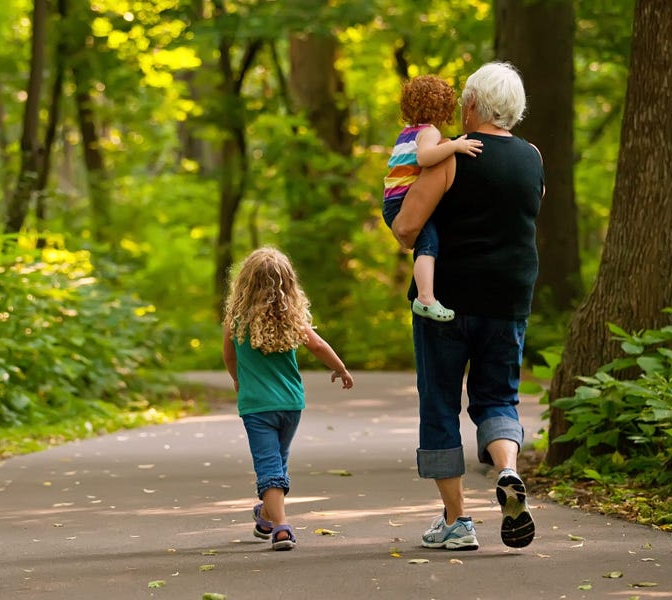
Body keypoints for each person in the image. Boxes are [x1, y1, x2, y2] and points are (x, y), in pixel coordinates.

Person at [390, 62, 543, 551]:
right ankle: (509, 470)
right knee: (498, 398)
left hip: (447, 303)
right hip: (508, 301)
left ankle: (458, 522)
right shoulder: (534, 158)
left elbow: (406, 228)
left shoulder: (450, 158)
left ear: (473, 104)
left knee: (439, 405)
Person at [221, 247, 354, 551]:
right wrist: (340, 368)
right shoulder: (291, 318)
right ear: (288, 284)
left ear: (245, 283)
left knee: (269, 466)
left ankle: (281, 527)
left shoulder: (236, 321)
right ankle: (267, 515)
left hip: (257, 406)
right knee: (277, 463)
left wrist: (238, 380)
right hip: (291, 404)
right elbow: (318, 346)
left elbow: (229, 356)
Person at [383, 74, 484, 323]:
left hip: (392, 203)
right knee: (428, 245)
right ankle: (426, 298)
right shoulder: (429, 132)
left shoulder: (407, 132)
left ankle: (426, 296)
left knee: (426, 244)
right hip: (402, 202)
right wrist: (454, 147)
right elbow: (425, 158)